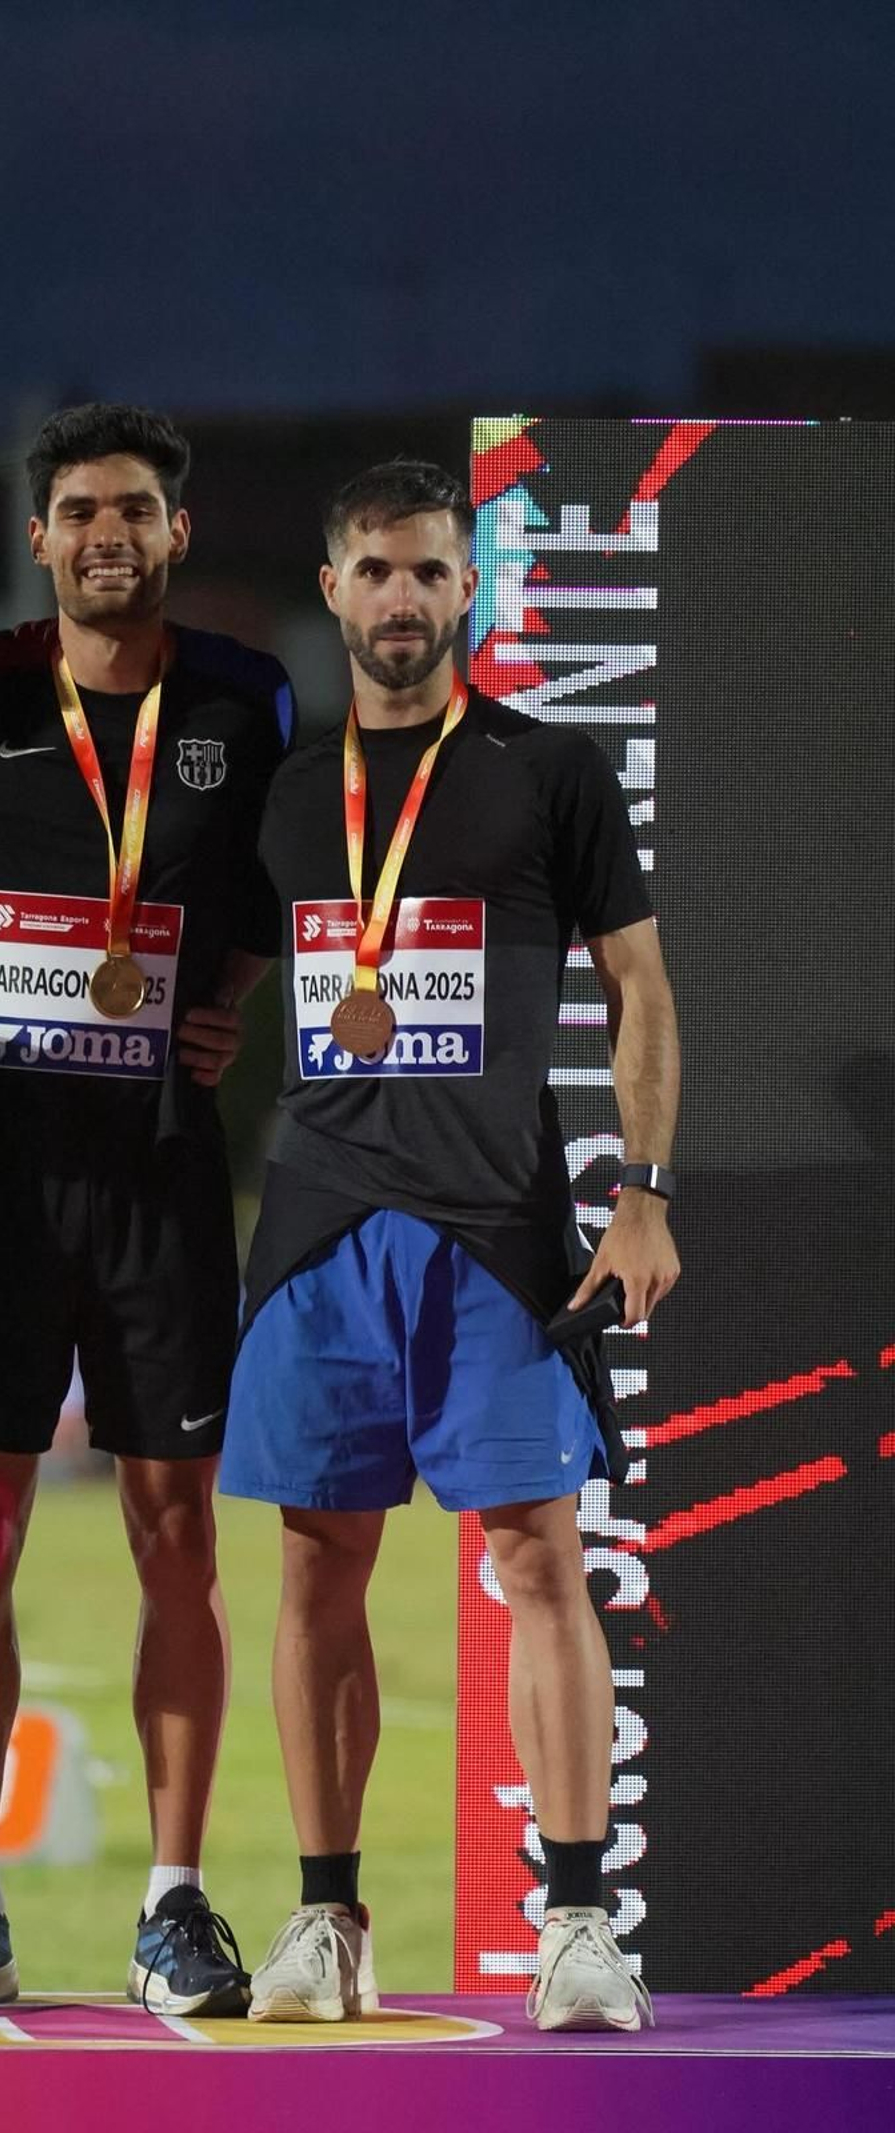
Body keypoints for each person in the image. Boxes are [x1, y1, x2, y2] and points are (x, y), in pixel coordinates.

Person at [221, 459, 679, 2031]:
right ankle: (327, 1916)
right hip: (320, 1230)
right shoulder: (289, 790)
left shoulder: (550, 770)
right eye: (376, 570)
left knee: (539, 1556)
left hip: (495, 1228)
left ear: (469, 585)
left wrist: (644, 1191)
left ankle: (578, 1923)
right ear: (334, 588)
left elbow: (638, 984)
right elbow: (219, 972)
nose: (404, 596)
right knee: (314, 1567)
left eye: (430, 569)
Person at [0, 404, 293, 2017]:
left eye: (134, 508)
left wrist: (231, 1006)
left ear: (177, 531)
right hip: (3, 1167)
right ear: (39, 536)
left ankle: (173, 1906)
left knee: (177, 1533)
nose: (106, 534)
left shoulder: (246, 699)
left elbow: (279, 887)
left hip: (164, 1169)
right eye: (78, 510)